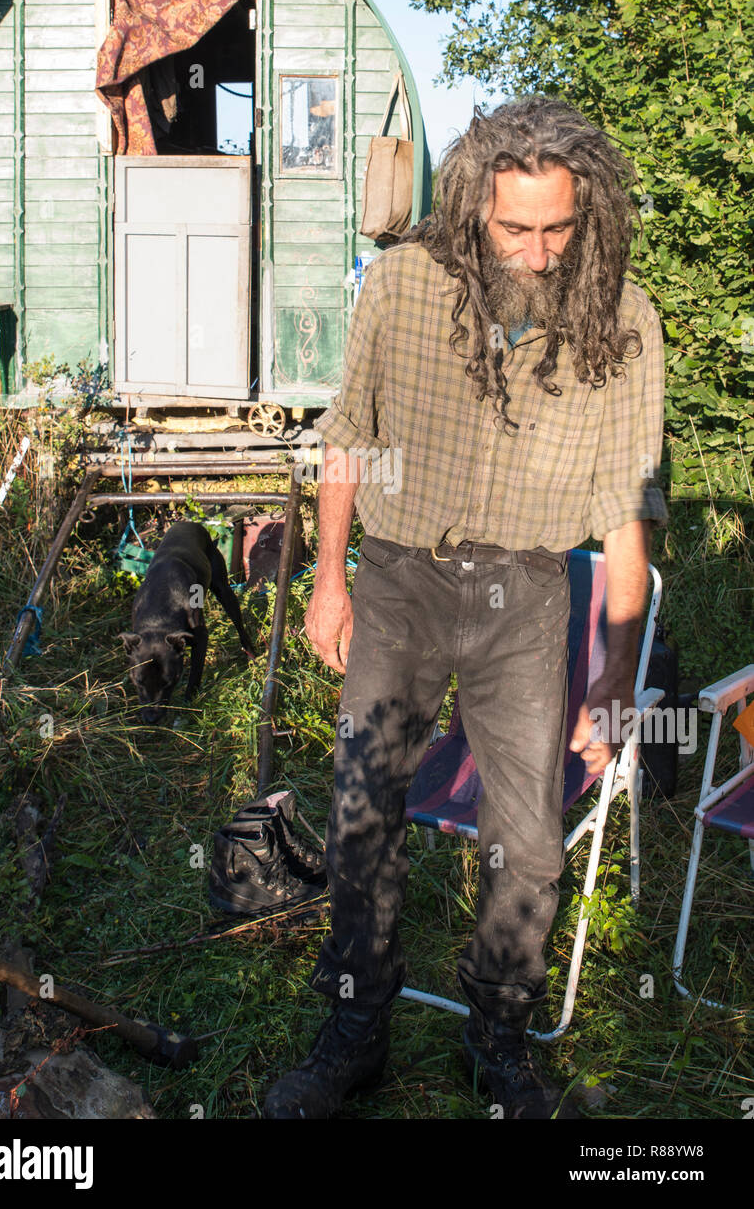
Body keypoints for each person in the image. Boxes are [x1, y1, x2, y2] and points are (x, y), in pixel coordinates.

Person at [263, 96, 669, 1120]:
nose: (534, 253)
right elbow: (347, 433)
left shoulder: (623, 319)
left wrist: (616, 675)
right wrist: (326, 577)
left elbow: (623, 507)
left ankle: (500, 1038)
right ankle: (354, 1032)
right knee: (363, 811)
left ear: (590, 214)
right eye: (511, 228)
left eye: (556, 228)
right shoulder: (402, 284)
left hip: (528, 596)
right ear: (470, 206)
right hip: (400, 580)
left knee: (527, 836)